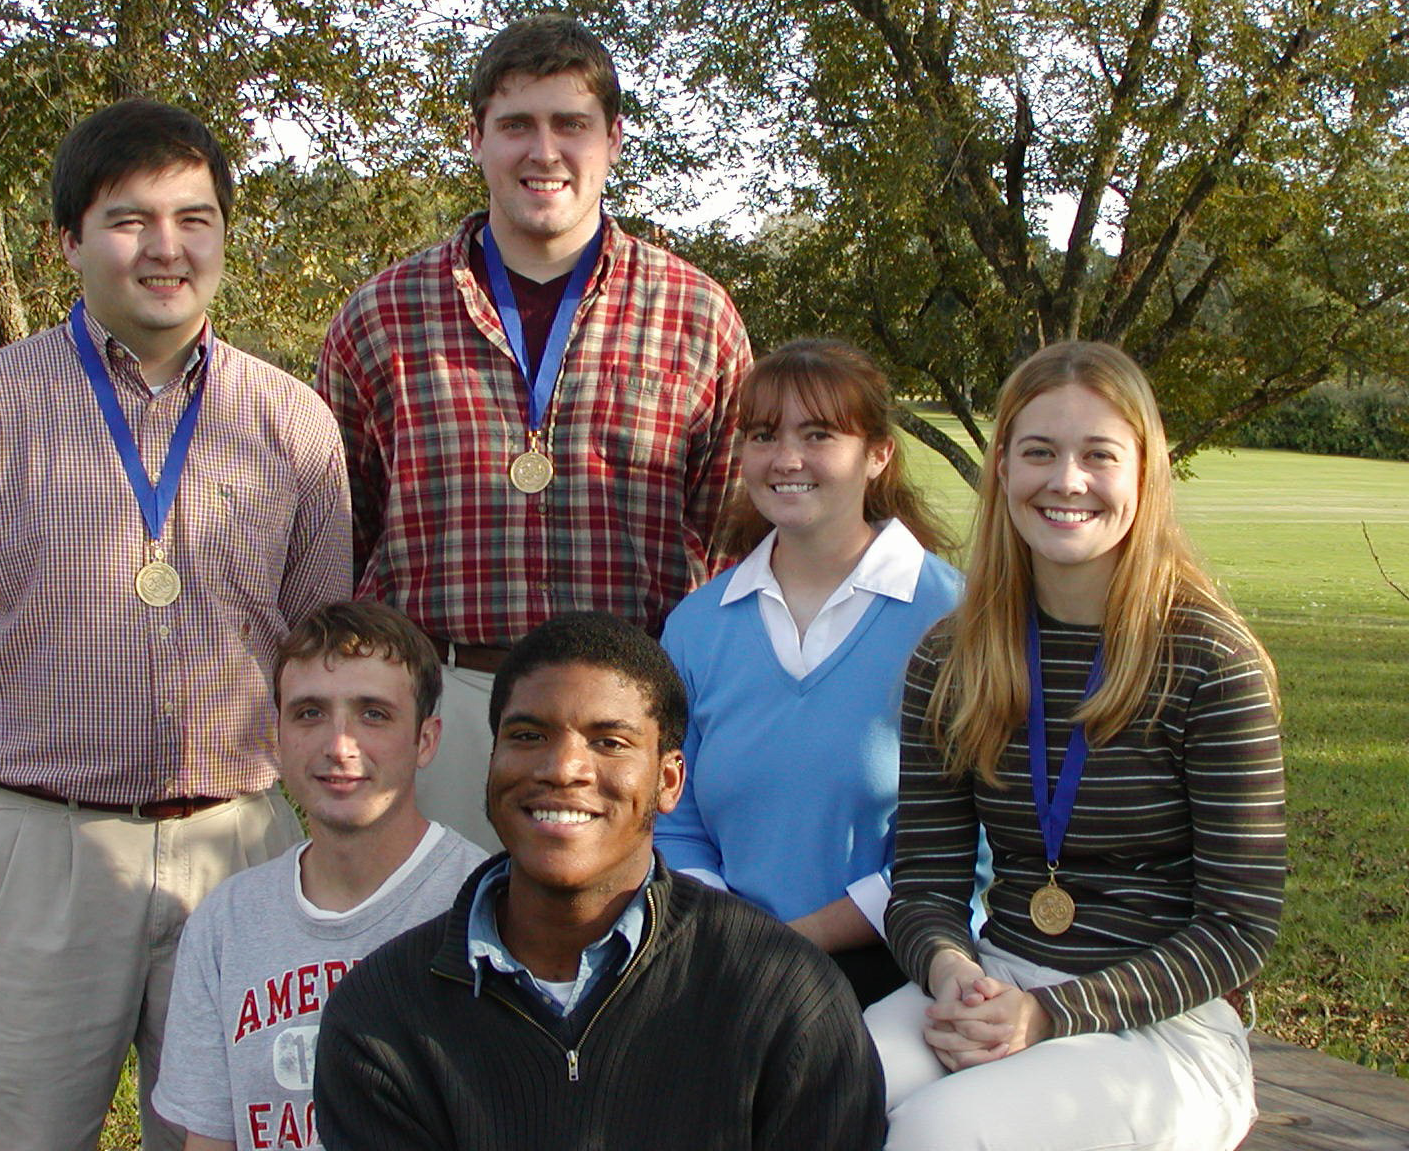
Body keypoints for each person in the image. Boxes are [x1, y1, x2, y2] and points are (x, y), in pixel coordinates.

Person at [0, 99, 351, 1151]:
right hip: (43, 851)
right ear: (67, 241)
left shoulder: (291, 422)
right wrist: (16, 761)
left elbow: (320, 640)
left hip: (240, 850)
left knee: (244, 1136)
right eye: (129, 219)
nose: (166, 248)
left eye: (195, 217)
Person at [316, 15, 752, 850]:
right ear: (475, 138)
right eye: (516, 124)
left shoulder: (697, 316)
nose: (543, 151)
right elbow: (345, 532)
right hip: (443, 705)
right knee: (433, 961)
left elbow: (730, 538)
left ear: (614, 139)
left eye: (571, 125)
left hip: (627, 713)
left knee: (620, 965)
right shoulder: (381, 318)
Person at [866, 341, 1285, 1151]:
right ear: (1002, 472)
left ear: (1143, 477)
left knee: (941, 1134)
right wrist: (952, 972)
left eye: (1099, 455)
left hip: (1164, 1027)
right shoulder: (952, 657)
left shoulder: (1210, 664)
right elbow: (924, 883)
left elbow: (1240, 926)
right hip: (996, 979)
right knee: (807, 1085)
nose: (1066, 481)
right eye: (1038, 453)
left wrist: (1051, 1015)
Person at [311, 612, 887, 1150]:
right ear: (491, 763)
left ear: (668, 780)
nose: (563, 769)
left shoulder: (784, 994)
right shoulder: (383, 1014)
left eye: (609, 742)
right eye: (528, 736)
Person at [656, 339, 967, 1007]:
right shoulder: (697, 625)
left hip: (905, 975)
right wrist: (730, 933)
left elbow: (983, 844)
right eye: (764, 435)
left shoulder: (957, 619)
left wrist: (798, 937)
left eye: (818, 434)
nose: (786, 459)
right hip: (720, 965)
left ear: (879, 454)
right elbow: (670, 818)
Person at [152, 601, 486, 1151]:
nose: (339, 745)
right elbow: (209, 1138)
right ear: (277, 732)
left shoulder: (480, 911)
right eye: (309, 713)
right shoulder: (227, 922)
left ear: (426, 740)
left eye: (373, 714)